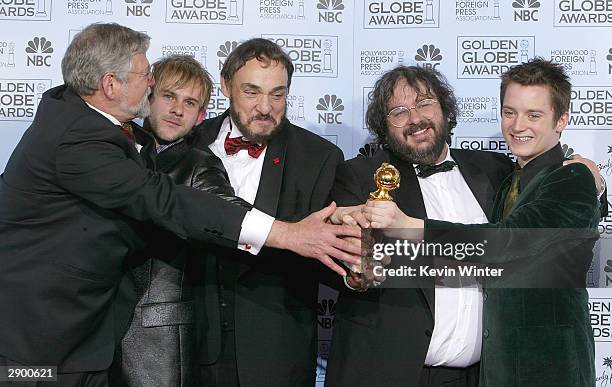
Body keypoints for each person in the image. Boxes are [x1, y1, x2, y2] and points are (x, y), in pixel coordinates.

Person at [0, 24, 359, 386]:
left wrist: (367, 246)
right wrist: (285, 233)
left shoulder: (81, 119)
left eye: (277, 93)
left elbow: (344, 251)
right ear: (111, 84)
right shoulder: (87, 137)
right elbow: (166, 199)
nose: (152, 83)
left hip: (263, 350)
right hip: (49, 342)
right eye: (147, 77)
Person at [325, 64, 606, 387]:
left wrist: (592, 181)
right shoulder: (360, 177)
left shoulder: (494, 170)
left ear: (445, 109)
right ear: (383, 126)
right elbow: (343, 253)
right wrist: (356, 264)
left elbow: (511, 239)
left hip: (500, 372)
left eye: (425, 103)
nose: (415, 118)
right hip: (393, 372)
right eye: (399, 111)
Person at [189, 38, 345, 387]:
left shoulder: (320, 158)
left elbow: (335, 259)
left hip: (277, 352)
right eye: (252, 92)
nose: (265, 107)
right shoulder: (187, 143)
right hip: (191, 346)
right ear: (226, 85)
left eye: (278, 94)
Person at [118, 54, 248, 386]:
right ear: (147, 96)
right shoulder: (110, 147)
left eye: (189, 103)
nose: (178, 109)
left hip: (155, 341)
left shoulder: (198, 165)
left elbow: (231, 213)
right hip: (91, 325)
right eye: (169, 96)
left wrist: (291, 231)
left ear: (200, 116)